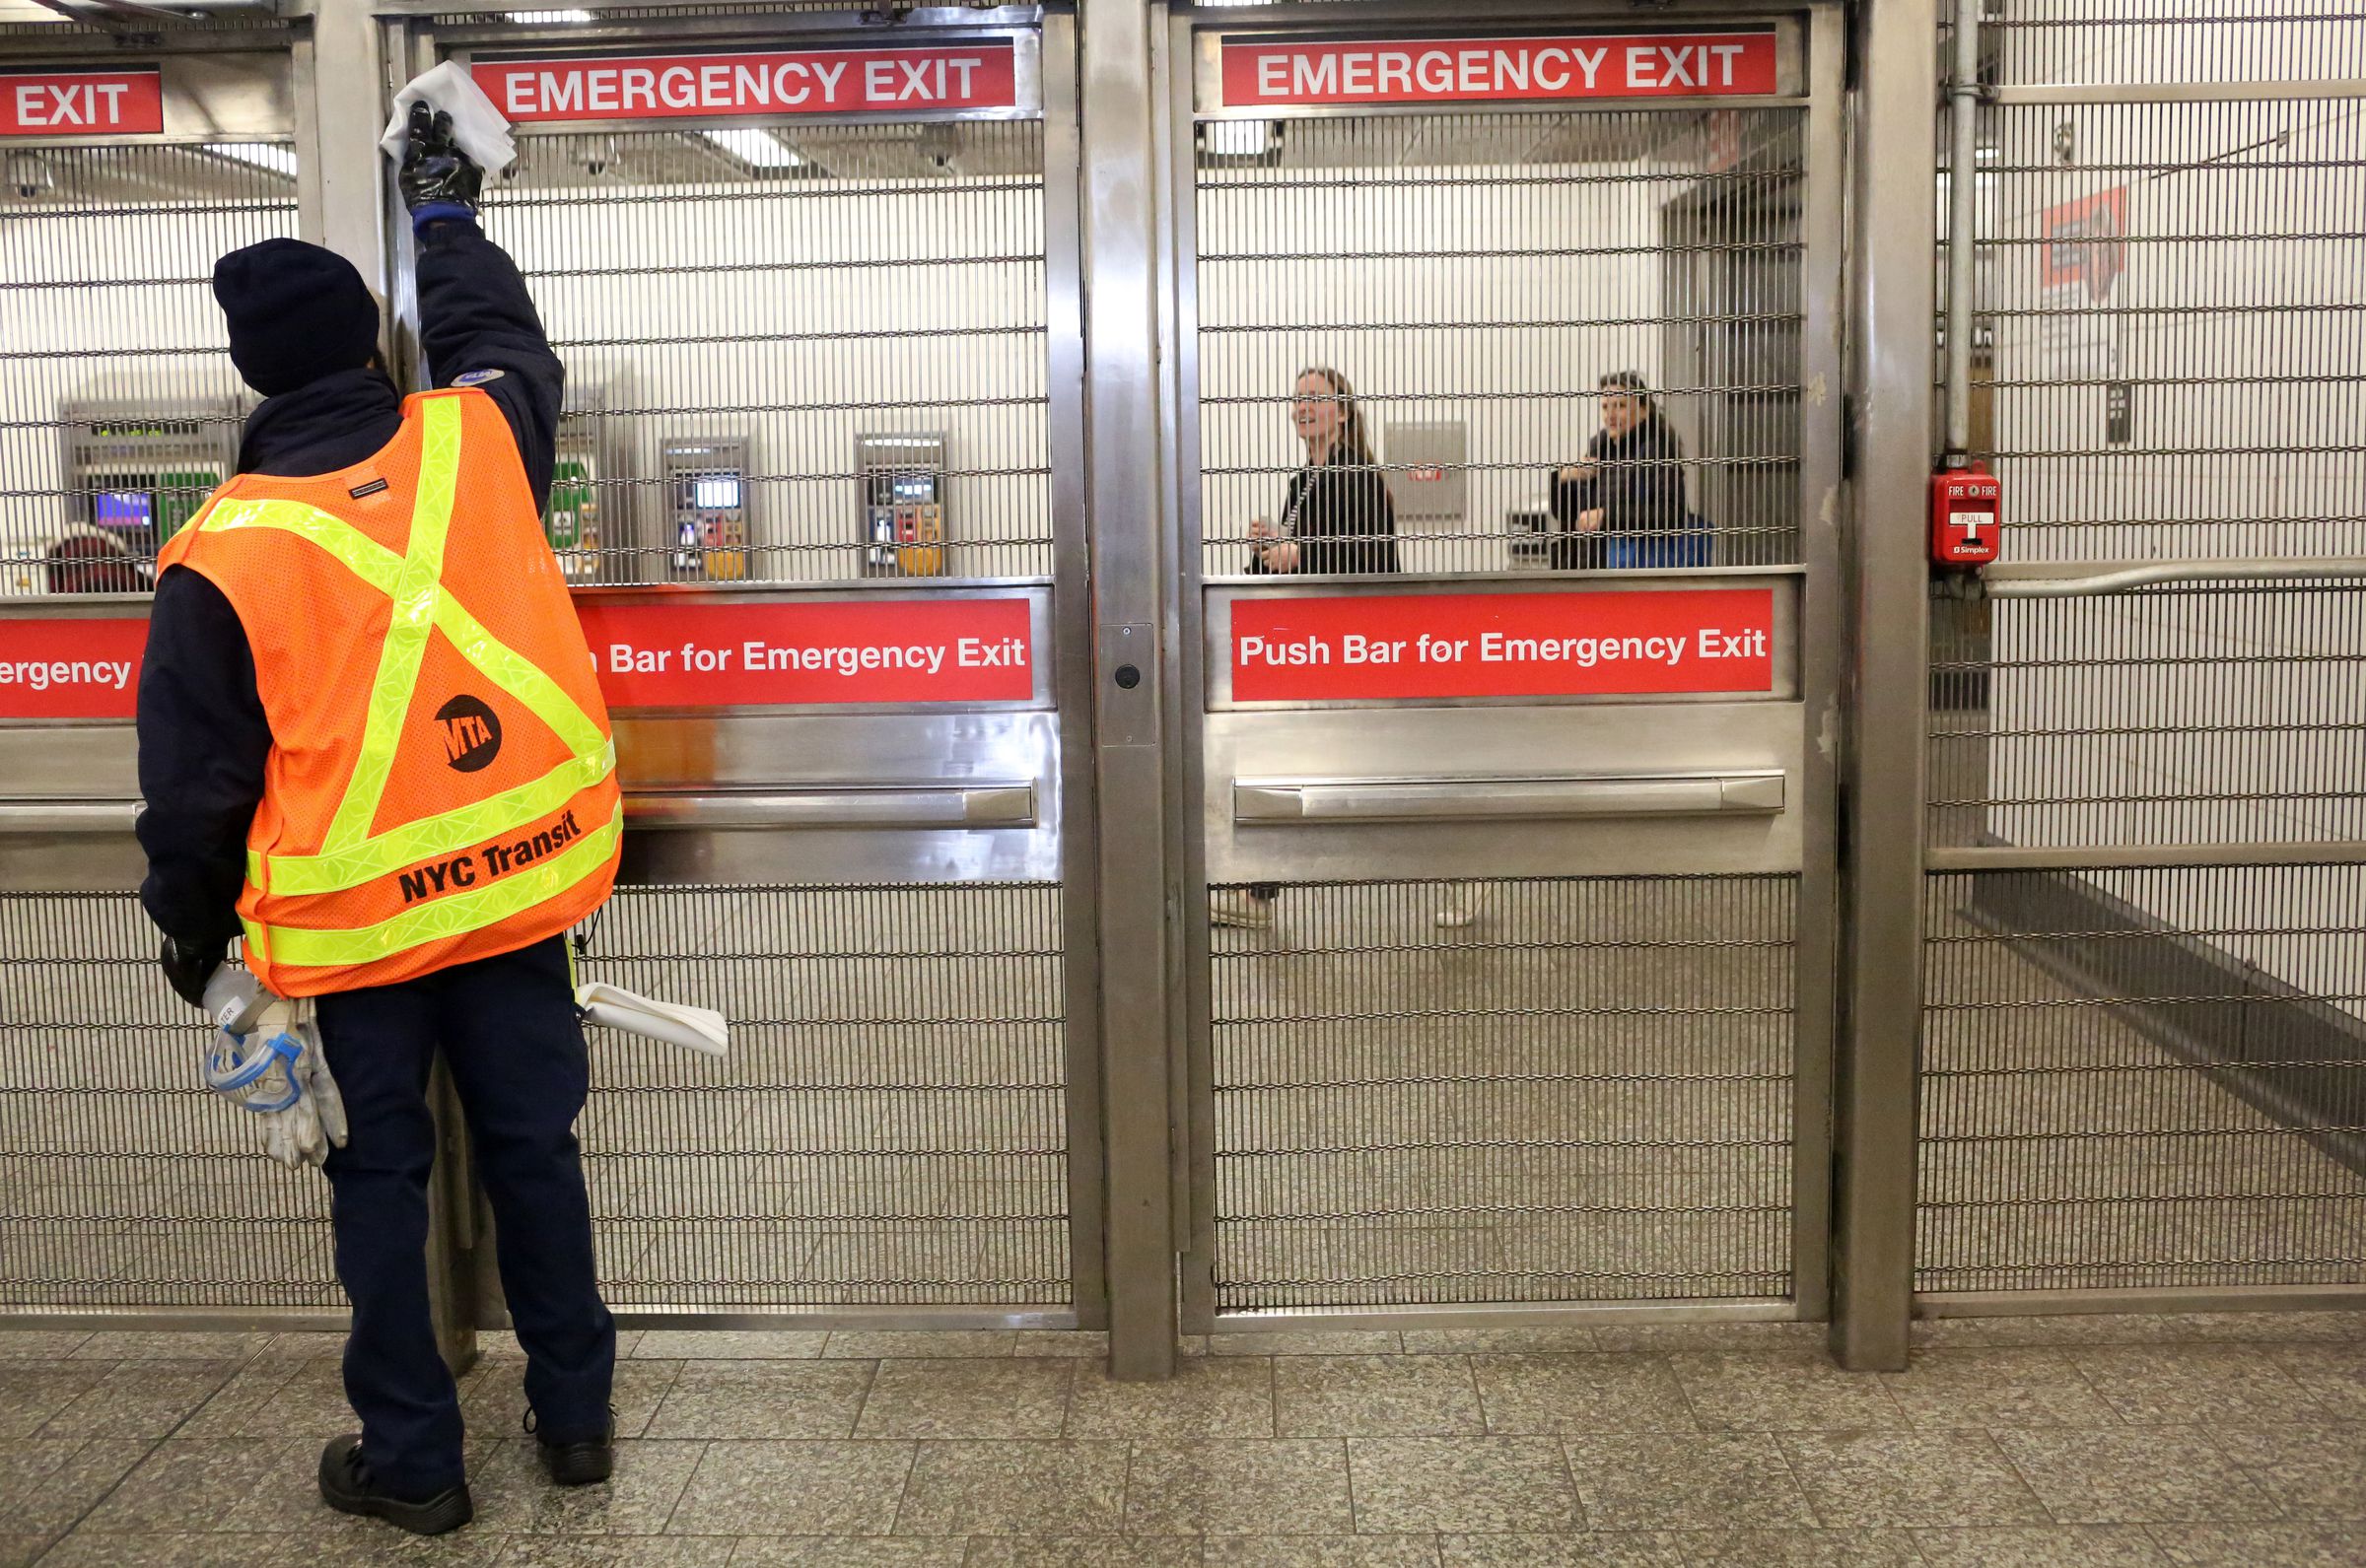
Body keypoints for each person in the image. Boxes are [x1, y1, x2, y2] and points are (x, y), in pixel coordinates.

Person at [135, 106, 619, 1536]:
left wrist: (198, 950)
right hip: (518, 893)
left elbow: (195, 790)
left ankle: (415, 1456)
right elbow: (509, 343)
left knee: (380, 1179)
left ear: (249, 376)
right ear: (368, 343)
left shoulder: (216, 556)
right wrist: (444, 214)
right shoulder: (479, 444)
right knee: (537, 1148)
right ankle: (576, 1414)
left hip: (355, 949)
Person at [1216, 367, 1399, 932]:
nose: (1303, 407)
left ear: (1342, 411)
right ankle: (1257, 892)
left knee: (1392, 765)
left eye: (1315, 399)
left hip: (1354, 642)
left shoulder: (1360, 477)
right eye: (1297, 399)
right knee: (1279, 756)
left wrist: (1301, 556)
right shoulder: (1304, 482)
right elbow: (1299, 558)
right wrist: (1268, 551)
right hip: (1311, 642)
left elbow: (1365, 562)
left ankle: (1470, 870)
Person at [1549, 371, 1710, 570]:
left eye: (1621, 406)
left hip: (1632, 569)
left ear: (1643, 410)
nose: (1611, 415)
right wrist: (1564, 478)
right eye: (1606, 407)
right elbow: (1566, 515)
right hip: (1590, 565)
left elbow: (1670, 514)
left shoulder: (1656, 449)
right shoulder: (1598, 448)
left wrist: (1606, 517)